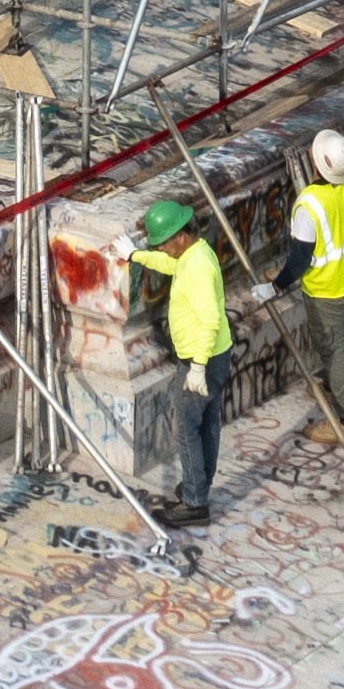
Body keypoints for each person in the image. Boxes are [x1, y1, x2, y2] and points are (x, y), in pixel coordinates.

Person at [271, 129, 344, 463]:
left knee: (333, 350)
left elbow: (299, 259)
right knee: (332, 344)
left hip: (326, 288)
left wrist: (276, 286)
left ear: (316, 164)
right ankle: (334, 387)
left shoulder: (309, 203)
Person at [127, 194, 235, 526]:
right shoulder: (194, 254)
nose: (161, 248)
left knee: (188, 428)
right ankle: (198, 484)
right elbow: (170, 264)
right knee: (208, 423)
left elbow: (210, 319)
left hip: (200, 360)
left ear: (180, 236)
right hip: (216, 353)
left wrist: (198, 367)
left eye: (162, 242)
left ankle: (194, 503)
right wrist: (135, 255)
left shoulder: (198, 267)